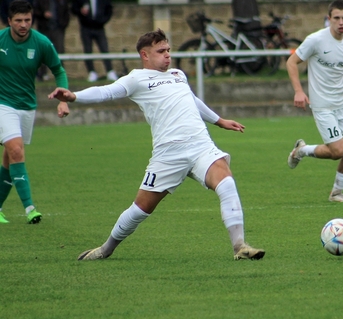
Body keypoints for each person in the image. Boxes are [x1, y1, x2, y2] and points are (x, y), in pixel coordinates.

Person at [48, 28, 265, 261]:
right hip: (168, 155)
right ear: (145, 55)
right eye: (161, 51)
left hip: (201, 145)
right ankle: (106, 249)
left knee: (227, 183)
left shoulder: (178, 75)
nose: (168, 55)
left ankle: (240, 246)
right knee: (141, 209)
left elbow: (192, 100)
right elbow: (106, 92)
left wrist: (219, 121)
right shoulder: (136, 79)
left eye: (168, 50)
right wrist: (74, 97)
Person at [285, 0, 343, 203]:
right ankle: (301, 150)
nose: (341, 22)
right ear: (329, 19)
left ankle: (337, 193)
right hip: (322, 104)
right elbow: (291, 62)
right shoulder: (316, 40)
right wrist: (298, 91)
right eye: (336, 18)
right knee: (338, 151)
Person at [0, 0, 69, 224]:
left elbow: (58, 70)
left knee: (10, 159)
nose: (23, 24)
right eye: (18, 20)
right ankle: (30, 208)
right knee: (17, 152)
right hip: (3, 105)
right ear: (9, 21)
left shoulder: (41, 43)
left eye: (27, 20)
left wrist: (63, 99)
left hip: (27, 107)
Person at [71, 0, 117, 82]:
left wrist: (103, 20)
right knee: (87, 50)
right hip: (86, 27)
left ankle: (110, 71)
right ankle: (92, 72)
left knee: (104, 49)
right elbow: (73, 9)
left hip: (99, 27)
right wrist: (80, 11)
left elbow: (109, 9)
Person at [33, 0, 70, 81]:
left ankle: (60, 74)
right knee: (43, 52)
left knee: (59, 51)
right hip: (44, 28)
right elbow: (34, 10)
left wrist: (63, 24)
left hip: (58, 28)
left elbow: (66, 12)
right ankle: (43, 74)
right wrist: (43, 14)